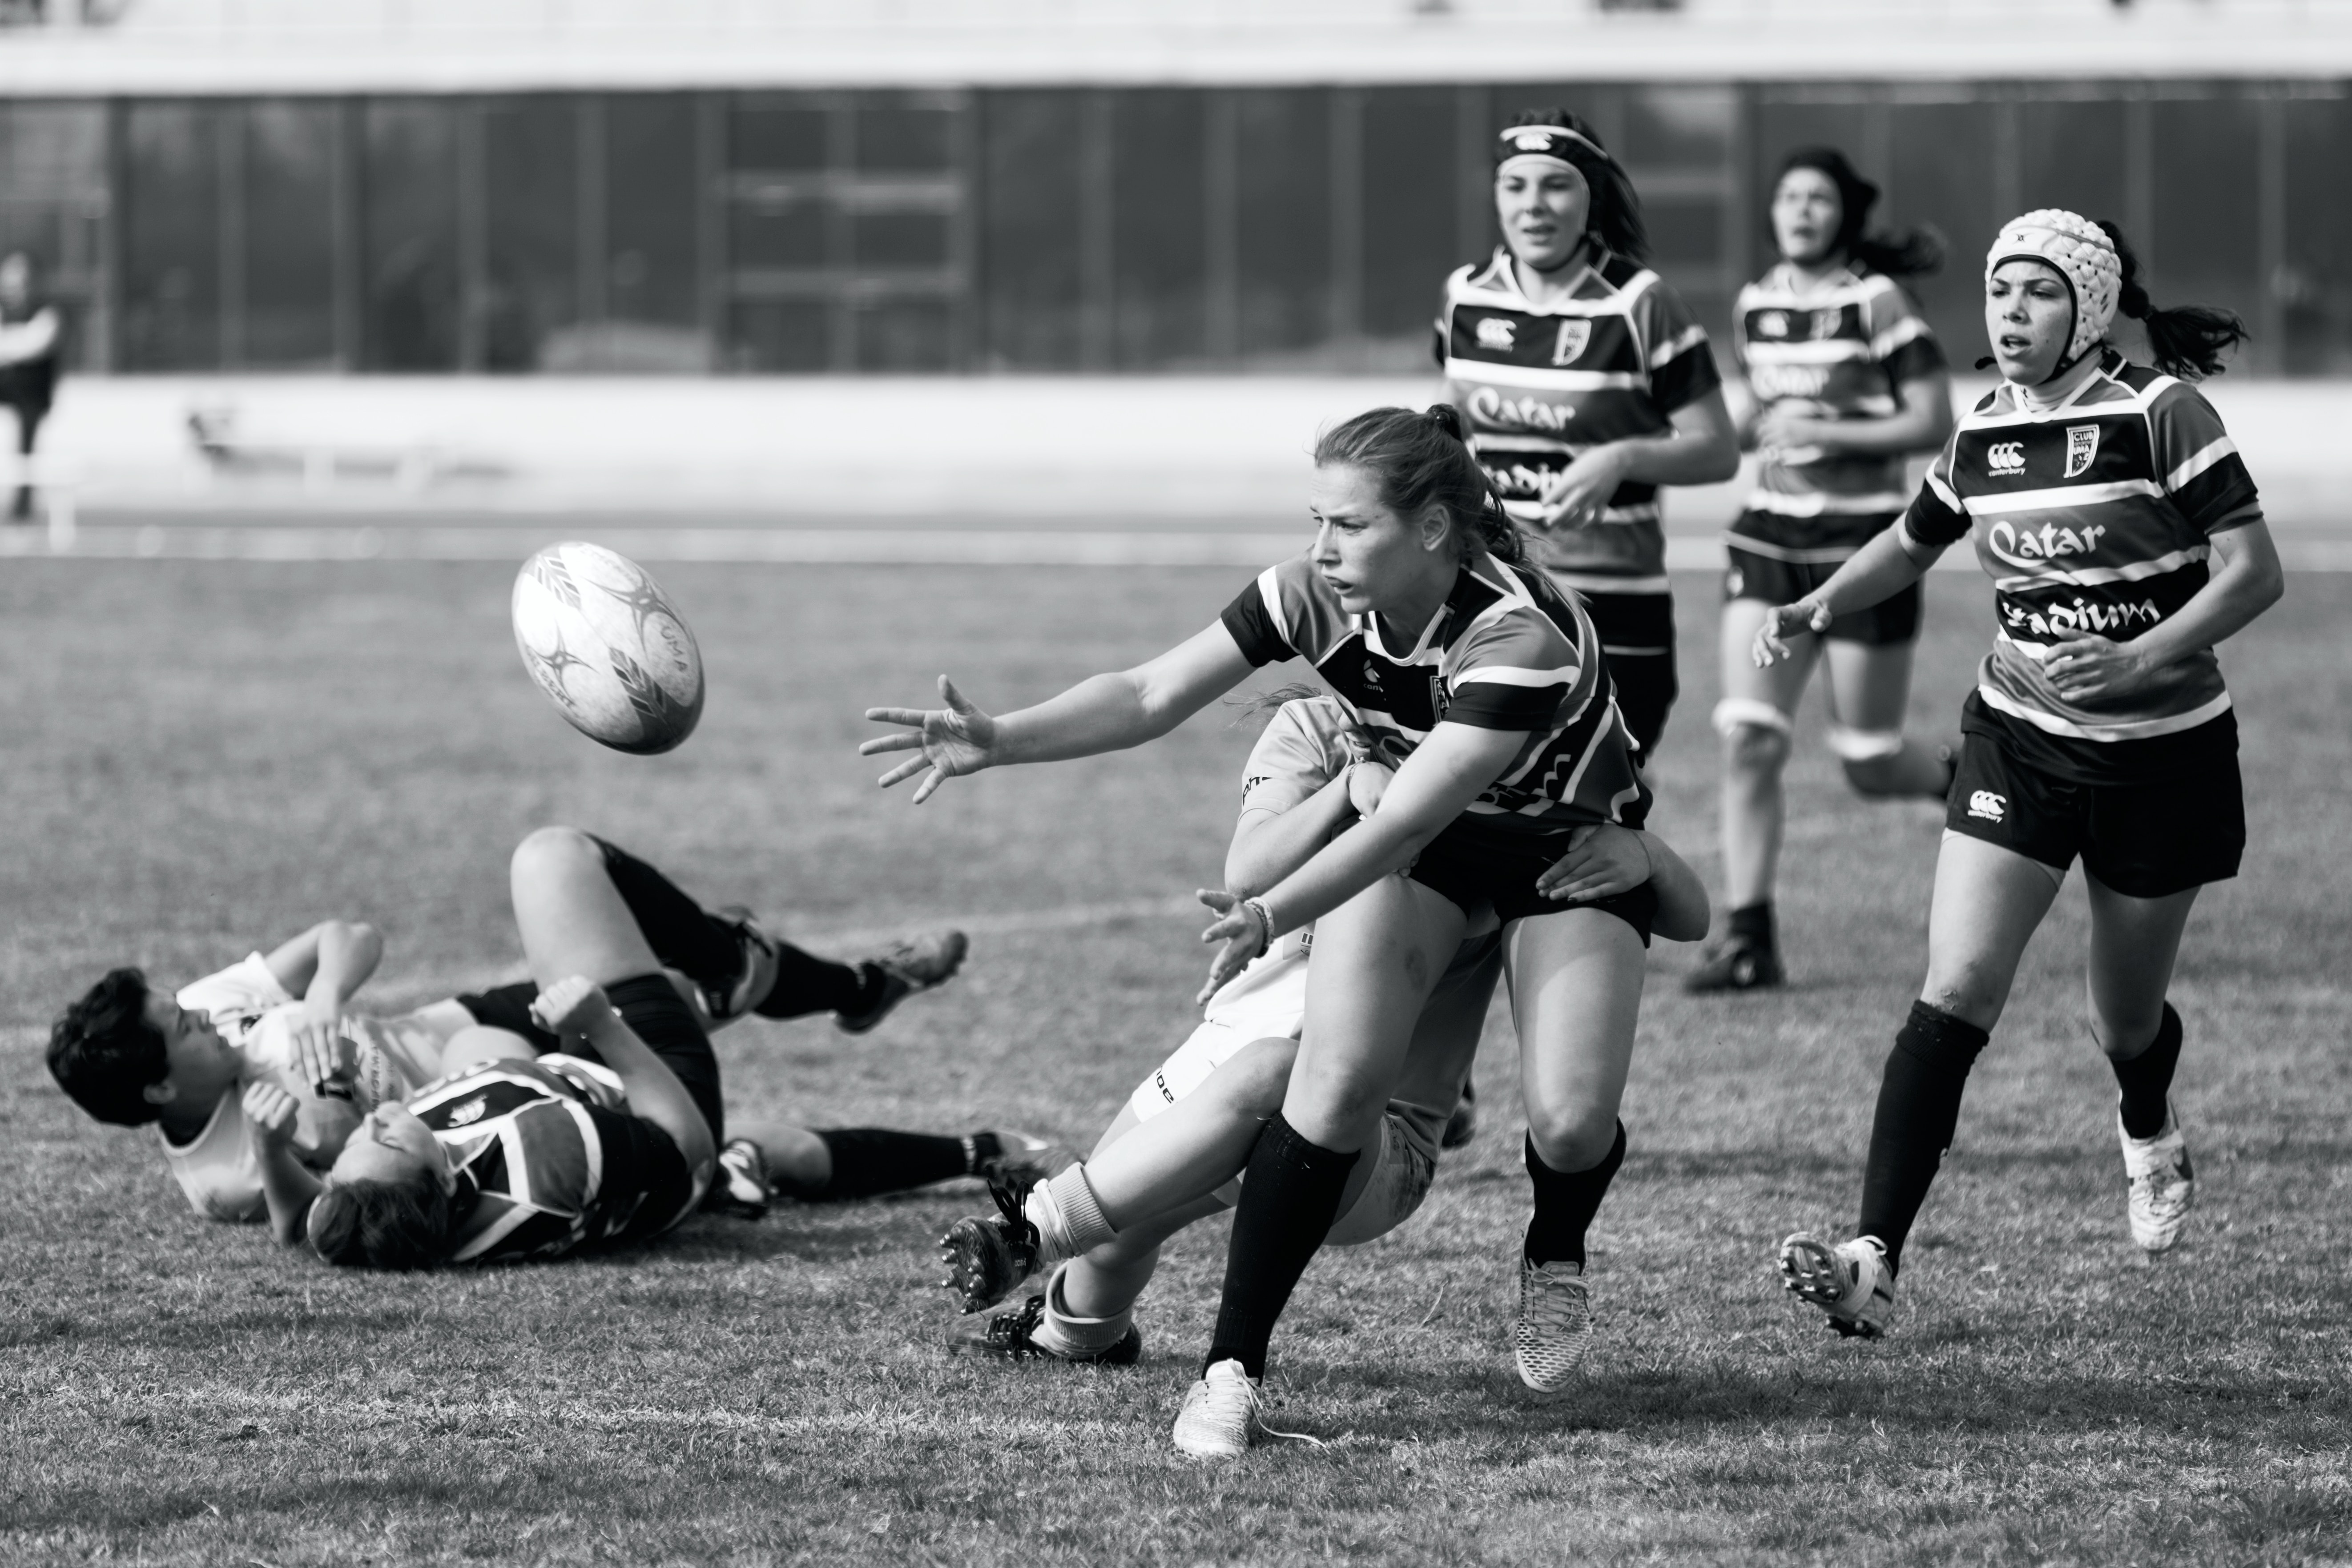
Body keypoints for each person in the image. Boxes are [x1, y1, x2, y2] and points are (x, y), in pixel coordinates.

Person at [865, 404, 1705, 1459]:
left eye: (1348, 526)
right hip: (1432, 849)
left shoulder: (1518, 637)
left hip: (1558, 851)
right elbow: (1148, 691)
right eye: (1316, 520)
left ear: (1435, 530)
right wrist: (999, 737)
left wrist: (1272, 910)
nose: (1320, 549)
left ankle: (1555, 1250)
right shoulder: (1312, 596)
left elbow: (1403, 812)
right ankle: (1229, 1375)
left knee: (1573, 1122)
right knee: (1325, 1076)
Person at [1764, 211, 2282, 1339]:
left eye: (2038, 294)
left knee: (2123, 1018)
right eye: (1999, 292)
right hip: (2018, 737)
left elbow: (2253, 571)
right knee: (1951, 989)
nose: (2009, 314)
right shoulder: (1984, 429)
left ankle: (2145, 1123)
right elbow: (1909, 542)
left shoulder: (2159, 414)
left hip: (2163, 754)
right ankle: (1872, 1261)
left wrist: (2140, 651)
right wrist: (1815, 603)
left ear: (2087, 309)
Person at [935, 693, 1705, 1373]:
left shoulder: (1497, 756)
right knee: (1117, 1238)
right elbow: (1247, 871)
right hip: (1224, 1050)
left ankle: (1033, 1230)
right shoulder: (1315, 724)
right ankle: (1076, 1333)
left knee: (1275, 1072)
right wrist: (1345, 790)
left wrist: (1643, 851)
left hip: (1375, 1136)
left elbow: (1680, 915)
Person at [45, 828, 979, 1225]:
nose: (204, 1011)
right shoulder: (224, 1176)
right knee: (672, 986)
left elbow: (351, 934)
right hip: (507, 1089)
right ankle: (829, 986)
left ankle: (842, 983)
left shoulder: (218, 1003)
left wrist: (324, 1000)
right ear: (163, 1087)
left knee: (694, 983)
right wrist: (313, 1113)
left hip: (466, 1021)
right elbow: (367, 1193)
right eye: (183, 1025)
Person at [234, 827, 1031, 1267]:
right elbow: (687, 1146)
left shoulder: (386, 1215)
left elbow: (310, 1222)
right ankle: (732, 969)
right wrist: (605, 1025)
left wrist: (273, 1153)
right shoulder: (544, 1156)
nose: (371, 1124)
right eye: (385, 1137)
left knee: (770, 1144)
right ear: (444, 1173)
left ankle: (825, 987)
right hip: (660, 1097)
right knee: (552, 860)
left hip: (566, 1082)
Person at [1690, 149, 1958, 993]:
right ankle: (1746, 939)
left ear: (1842, 214)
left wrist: (1828, 428)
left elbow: (1932, 420)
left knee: (1868, 760)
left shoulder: (1874, 302)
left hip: (1864, 546)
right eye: (1787, 196)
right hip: (1767, 538)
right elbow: (1752, 417)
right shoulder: (1755, 305)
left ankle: (1975, 786)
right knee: (1748, 738)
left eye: (1816, 198)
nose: (1800, 210)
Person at [1437, 110, 1741, 761]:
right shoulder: (1465, 296)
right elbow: (1454, 418)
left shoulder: (1639, 302)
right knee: (1477, 814)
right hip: (1495, 586)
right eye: (1515, 185)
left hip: (1613, 602)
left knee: (1593, 817)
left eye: (1556, 185)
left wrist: (1622, 456)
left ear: (1591, 197)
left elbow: (1718, 449)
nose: (1534, 205)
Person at [0, 252, 61, 523]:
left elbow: (36, 344)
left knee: (26, 443)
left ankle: (22, 508)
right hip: (6, 385)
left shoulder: (47, 310)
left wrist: (9, 343)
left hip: (33, 393)